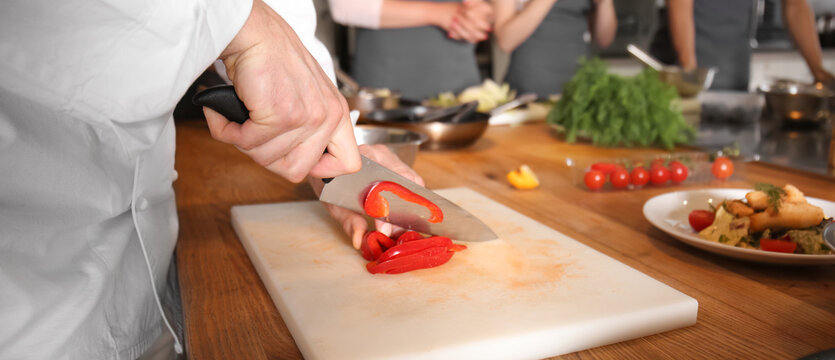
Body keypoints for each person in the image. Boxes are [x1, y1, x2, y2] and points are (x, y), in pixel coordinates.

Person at [0, 0, 419, 358]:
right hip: (27, 310)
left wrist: (321, 131)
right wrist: (233, 15)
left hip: (150, 283)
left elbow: (276, 21)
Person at [328, 0, 494, 100]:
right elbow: (344, 6)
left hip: (461, 90)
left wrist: (481, 13)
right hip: (387, 92)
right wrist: (438, 13)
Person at [652, 0, 835, 91]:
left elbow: (795, 7)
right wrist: (690, 74)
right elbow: (680, 4)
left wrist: (817, 70)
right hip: (683, 77)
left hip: (734, 77)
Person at [492, 0, 617, 98]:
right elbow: (506, 41)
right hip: (529, 92)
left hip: (579, 91)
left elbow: (604, 40)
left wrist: (605, 2)